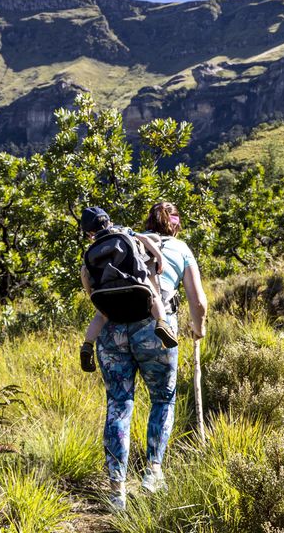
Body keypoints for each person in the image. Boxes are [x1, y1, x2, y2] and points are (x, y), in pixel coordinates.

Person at [94, 201, 208, 510]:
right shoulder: (180, 248)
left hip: (112, 330)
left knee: (119, 403)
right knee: (162, 398)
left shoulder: (125, 242)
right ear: (175, 224)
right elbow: (198, 300)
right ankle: (153, 472)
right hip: (155, 329)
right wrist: (199, 329)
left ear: (148, 220)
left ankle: (116, 489)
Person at [79, 207, 176, 376]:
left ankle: (87, 344)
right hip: (133, 281)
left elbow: (85, 274)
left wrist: (93, 295)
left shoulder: (92, 247)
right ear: (109, 221)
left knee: (100, 315)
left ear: (89, 233)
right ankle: (162, 323)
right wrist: (159, 259)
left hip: (105, 289)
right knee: (154, 297)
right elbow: (145, 239)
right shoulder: (122, 231)